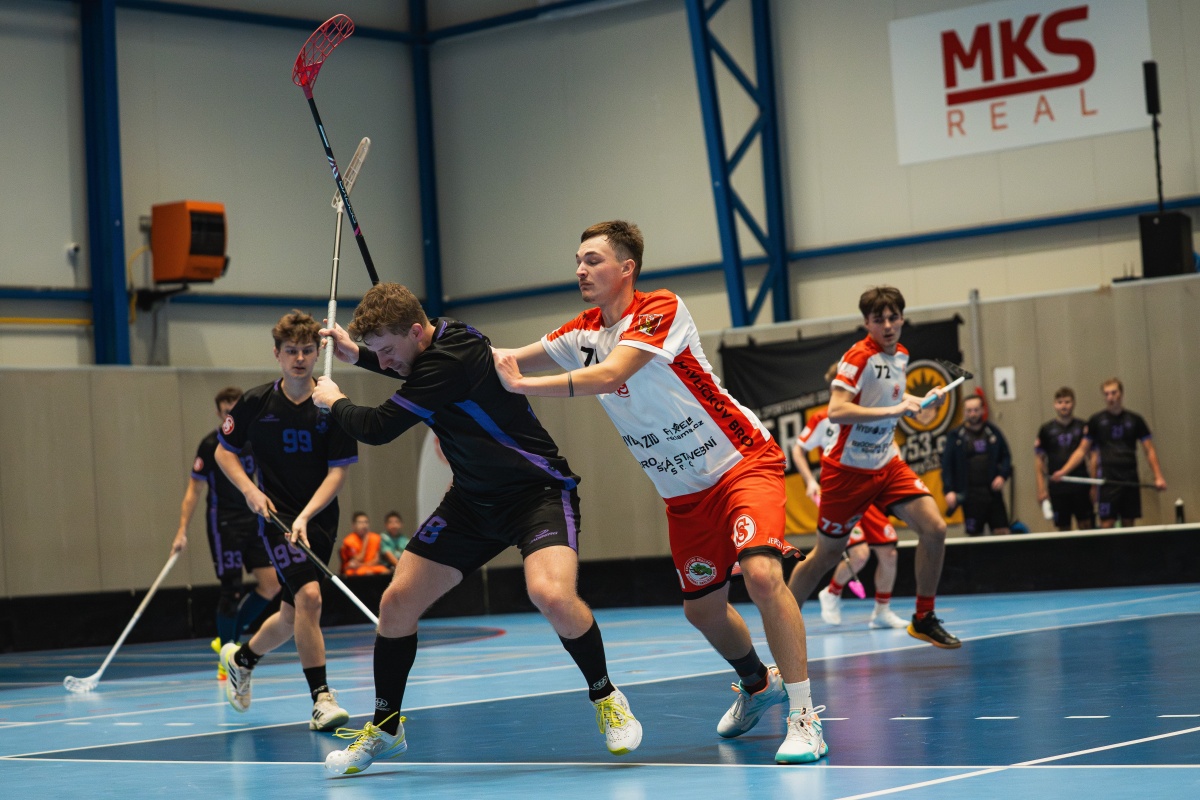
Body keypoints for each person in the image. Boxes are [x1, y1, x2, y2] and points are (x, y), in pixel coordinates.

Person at [493, 220, 826, 765]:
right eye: (577, 261)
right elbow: (501, 357)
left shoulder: (660, 309)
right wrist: (423, 345)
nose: (580, 269)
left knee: (763, 575)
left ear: (627, 269)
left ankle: (806, 718)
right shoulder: (580, 334)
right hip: (683, 494)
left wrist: (525, 386)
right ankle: (758, 684)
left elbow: (611, 374)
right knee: (703, 613)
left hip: (740, 464)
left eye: (593, 260)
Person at [313, 282, 642, 776]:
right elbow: (411, 369)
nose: (384, 362)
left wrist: (335, 399)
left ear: (417, 332)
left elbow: (376, 428)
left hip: (535, 494)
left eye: (387, 350)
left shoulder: (453, 358)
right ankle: (385, 728)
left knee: (551, 594)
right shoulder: (437, 348)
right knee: (396, 603)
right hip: (471, 502)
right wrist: (358, 354)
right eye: (377, 353)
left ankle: (606, 695)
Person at [786, 286, 961, 649]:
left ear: (902, 319)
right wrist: (895, 410)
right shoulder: (858, 356)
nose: (888, 325)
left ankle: (923, 617)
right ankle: (782, 622)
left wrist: (915, 401)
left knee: (935, 528)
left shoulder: (902, 355)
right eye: (879, 319)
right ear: (867, 323)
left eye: (893, 318)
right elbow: (837, 410)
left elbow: (889, 396)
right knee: (826, 555)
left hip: (886, 464)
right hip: (846, 471)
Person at [215, 311, 359, 732]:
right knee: (310, 598)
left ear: (318, 353)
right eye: (291, 351)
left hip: (319, 518)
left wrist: (307, 516)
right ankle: (321, 699)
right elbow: (225, 452)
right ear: (277, 354)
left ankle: (243, 660)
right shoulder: (256, 403)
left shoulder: (332, 404)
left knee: (292, 612)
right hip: (276, 518)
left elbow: (337, 473)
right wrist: (250, 491)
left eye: (307, 350)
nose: (299, 358)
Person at [171, 387, 281, 680]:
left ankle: (226, 638)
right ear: (219, 413)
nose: (230, 413)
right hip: (224, 524)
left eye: (235, 407)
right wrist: (182, 530)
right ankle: (227, 656)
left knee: (271, 584)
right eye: (225, 410)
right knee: (231, 590)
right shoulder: (210, 445)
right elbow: (194, 491)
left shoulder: (253, 439)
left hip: (253, 519)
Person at [790, 368, 907, 630]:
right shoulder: (822, 418)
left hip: (871, 491)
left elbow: (891, 444)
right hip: (841, 494)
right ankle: (830, 593)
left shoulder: (870, 414)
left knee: (889, 552)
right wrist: (810, 481)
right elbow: (798, 449)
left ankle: (882, 611)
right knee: (860, 554)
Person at [1052, 378, 1166, 527]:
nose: (1110, 397)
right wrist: (1063, 471)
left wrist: (1158, 476)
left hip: (1130, 478)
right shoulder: (1096, 420)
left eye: (1113, 393)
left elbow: (1149, 449)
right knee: (1106, 523)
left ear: (1121, 394)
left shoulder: (1135, 420)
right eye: (1106, 394)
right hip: (1108, 479)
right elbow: (1082, 450)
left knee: (1128, 523)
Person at [941, 395, 1012, 537]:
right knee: (974, 535)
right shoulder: (956, 436)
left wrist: (1002, 476)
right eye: (969, 410)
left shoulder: (992, 432)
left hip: (992, 494)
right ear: (964, 412)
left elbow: (1006, 457)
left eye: (976, 410)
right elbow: (947, 466)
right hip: (970, 496)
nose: (973, 414)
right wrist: (949, 490)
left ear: (982, 410)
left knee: (1002, 532)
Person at [1034, 387, 1095, 531]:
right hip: (1058, 486)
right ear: (1055, 404)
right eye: (1060, 402)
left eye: (1067, 402)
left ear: (1073, 403)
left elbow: (1092, 457)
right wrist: (1041, 488)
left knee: (1086, 525)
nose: (1064, 406)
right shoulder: (1046, 429)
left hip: (1080, 484)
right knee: (1063, 528)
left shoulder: (1083, 427)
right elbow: (1039, 460)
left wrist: (1093, 485)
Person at [339, 511, 390, 576]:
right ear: (354, 525)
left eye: (366, 522)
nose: (364, 525)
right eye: (360, 522)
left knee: (386, 572)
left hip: (370, 567)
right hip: (353, 570)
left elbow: (376, 560)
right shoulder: (349, 541)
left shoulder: (376, 538)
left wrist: (362, 565)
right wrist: (365, 542)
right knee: (367, 573)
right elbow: (358, 560)